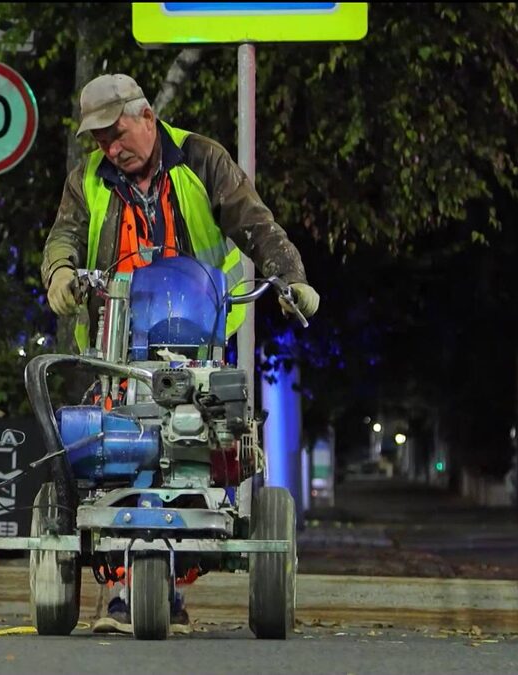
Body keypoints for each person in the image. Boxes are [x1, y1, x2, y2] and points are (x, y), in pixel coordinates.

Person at [41, 74, 320, 634]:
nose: (109, 148)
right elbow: (63, 237)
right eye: (98, 140)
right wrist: (60, 273)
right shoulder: (87, 180)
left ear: (145, 117)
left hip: (196, 341)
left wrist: (291, 279)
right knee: (114, 453)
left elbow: (255, 223)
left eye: (115, 133)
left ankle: (162, 581)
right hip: (114, 343)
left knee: (199, 448)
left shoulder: (202, 159)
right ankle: (126, 588)